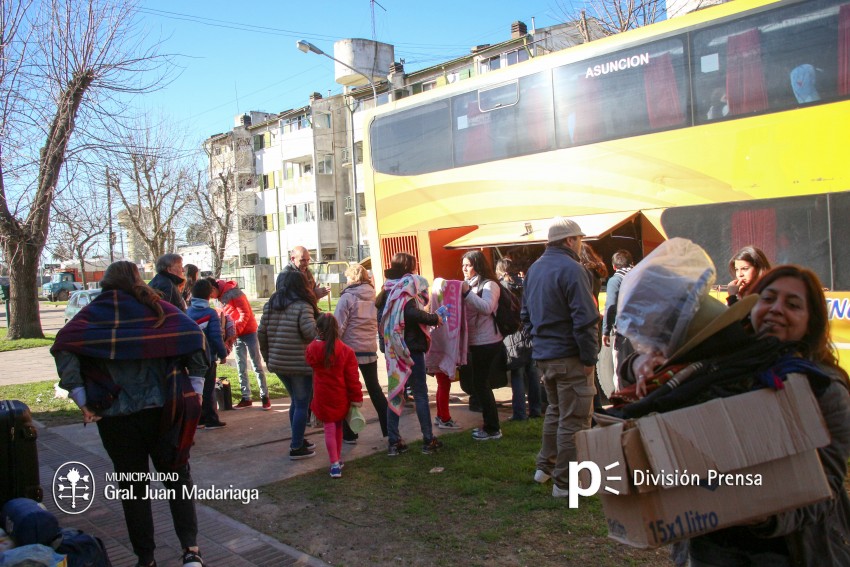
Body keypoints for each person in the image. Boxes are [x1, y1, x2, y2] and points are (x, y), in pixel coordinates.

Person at [628, 265, 850, 567]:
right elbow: (654, 367)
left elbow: (828, 484)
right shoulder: (725, 359)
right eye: (768, 298)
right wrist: (642, 361)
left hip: (790, 552)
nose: (776, 309)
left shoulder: (825, 388)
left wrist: (767, 516)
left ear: (811, 321)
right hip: (708, 547)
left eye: (793, 304)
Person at [51, 261, 208, 567]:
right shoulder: (156, 307)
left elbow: (63, 345)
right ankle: (191, 551)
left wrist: (81, 397)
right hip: (165, 413)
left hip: (116, 417)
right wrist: (198, 389)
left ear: (107, 283)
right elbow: (195, 338)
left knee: (133, 488)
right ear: (138, 279)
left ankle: (146, 559)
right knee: (177, 478)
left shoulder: (95, 313)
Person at [521, 217, 599, 498]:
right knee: (574, 419)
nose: (581, 244)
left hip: (545, 356)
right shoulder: (573, 269)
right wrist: (590, 357)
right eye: (579, 239)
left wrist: (539, 345)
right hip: (570, 356)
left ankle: (545, 469)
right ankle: (565, 484)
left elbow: (525, 315)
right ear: (569, 240)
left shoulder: (534, 269)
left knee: (555, 412)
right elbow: (585, 318)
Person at [378, 252, 444, 456]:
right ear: (411, 268)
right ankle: (428, 439)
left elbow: (381, 321)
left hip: (393, 350)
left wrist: (384, 344)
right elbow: (410, 313)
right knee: (421, 394)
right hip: (411, 349)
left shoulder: (386, 290)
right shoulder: (405, 289)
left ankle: (394, 442)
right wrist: (434, 318)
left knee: (396, 393)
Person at [258, 270, 319, 460]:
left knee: (296, 401)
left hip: (278, 363)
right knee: (301, 403)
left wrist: (268, 357)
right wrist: (323, 323)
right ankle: (296, 446)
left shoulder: (271, 305)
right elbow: (310, 333)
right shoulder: (303, 306)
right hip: (299, 364)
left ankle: (298, 438)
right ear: (302, 285)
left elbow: (261, 333)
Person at [334, 264, 388, 442]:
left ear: (352, 278)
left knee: (347, 391)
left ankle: (350, 433)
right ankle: (389, 430)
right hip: (369, 349)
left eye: (347, 277)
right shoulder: (375, 297)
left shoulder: (347, 298)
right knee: (374, 389)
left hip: (349, 351)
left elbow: (338, 326)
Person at [305, 313, 364, 479]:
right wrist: (356, 398)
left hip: (322, 395)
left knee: (329, 428)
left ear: (318, 330)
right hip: (340, 396)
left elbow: (310, 357)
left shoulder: (312, 349)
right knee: (337, 428)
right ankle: (336, 460)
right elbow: (353, 378)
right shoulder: (346, 351)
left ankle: (335, 462)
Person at [461, 250, 504, 440]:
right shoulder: (469, 285)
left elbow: (486, 308)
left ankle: (493, 428)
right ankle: (490, 426)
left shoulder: (490, 285)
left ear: (477, 265)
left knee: (481, 384)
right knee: (479, 384)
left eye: (468, 265)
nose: (464, 269)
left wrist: (466, 293)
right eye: (463, 265)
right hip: (475, 341)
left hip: (487, 341)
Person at [496, 258, 541, 421]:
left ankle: (520, 413)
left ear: (501, 271)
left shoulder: (501, 287)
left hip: (513, 333)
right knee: (532, 371)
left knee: (517, 373)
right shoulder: (525, 282)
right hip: (528, 330)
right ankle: (536, 408)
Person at [218, 279, 270, 410]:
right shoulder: (220, 298)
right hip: (236, 333)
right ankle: (246, 397)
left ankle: (265, 397)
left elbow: (245, 314)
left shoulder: (236, 293)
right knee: (240, 366)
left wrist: (234, 332)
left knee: (256, 364)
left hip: (249, 332)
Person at [186, 278, 228, 430]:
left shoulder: (187, 312)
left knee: (195, 389)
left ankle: (198, 419)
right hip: (207, 357)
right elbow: (216, 337)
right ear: (210, 295)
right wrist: (223, 354)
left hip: (190, 358)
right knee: (208, 389)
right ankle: (211, 419)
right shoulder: (210, 313)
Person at [602, 250, 636, 391]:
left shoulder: (616, 280)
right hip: (644, 330)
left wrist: (606, 330)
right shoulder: (640, 274)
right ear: (631, 262)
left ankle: (624, 400)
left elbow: (610, 306)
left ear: (614, 266)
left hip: (624, 331)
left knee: (621, 369)